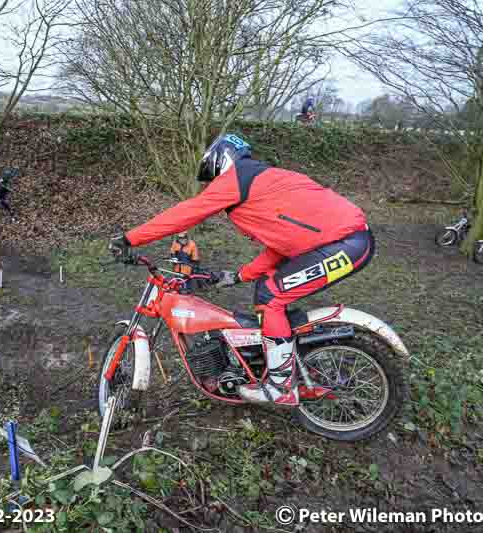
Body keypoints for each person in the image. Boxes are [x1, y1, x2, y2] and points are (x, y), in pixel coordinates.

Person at [109, 134, 374, 406]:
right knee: (268, 289)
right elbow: (282, 244)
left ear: (220, 161)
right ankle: (283, 357)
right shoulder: (264, 183)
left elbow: (187, 212)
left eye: (212, 178)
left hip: (346, 243)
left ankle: (280, 387)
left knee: (271, 296)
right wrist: (237, 276)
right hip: (345, 241)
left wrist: (130, 238)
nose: (212, 186)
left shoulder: (238, 176)